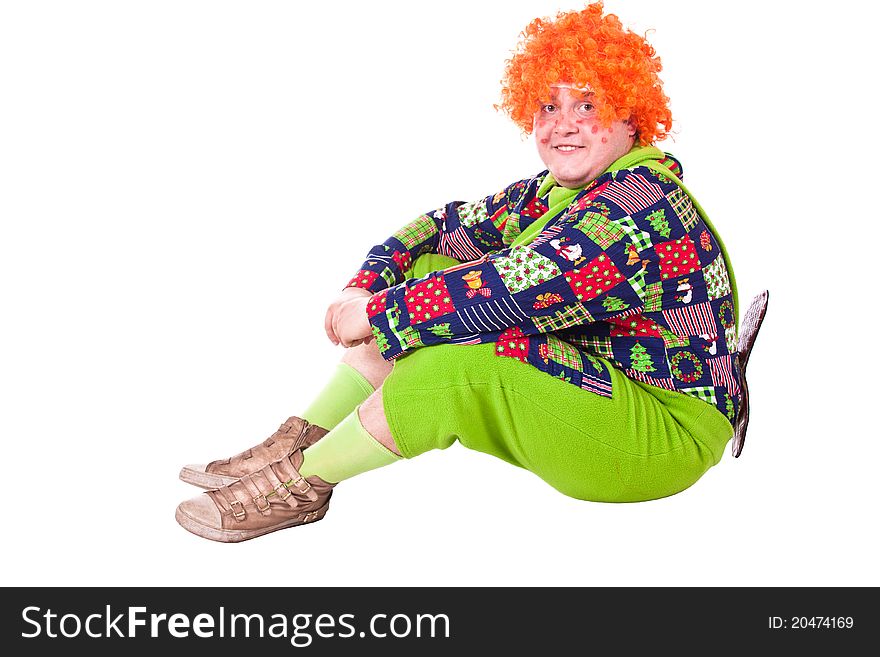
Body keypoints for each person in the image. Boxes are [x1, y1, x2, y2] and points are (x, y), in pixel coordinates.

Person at [175, 1, 744, 543]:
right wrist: (367, 284)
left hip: (662, 433)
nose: (563, 125)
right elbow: (445, 228)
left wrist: (375, 314)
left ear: (631, 114)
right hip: (606, 379)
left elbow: (513, 291)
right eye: (549, 107)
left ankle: (303, 483)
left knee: (454, 356)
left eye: (587, 106)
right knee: (430, 272)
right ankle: (305, 438)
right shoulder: (564, 191)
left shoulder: (638, 208)